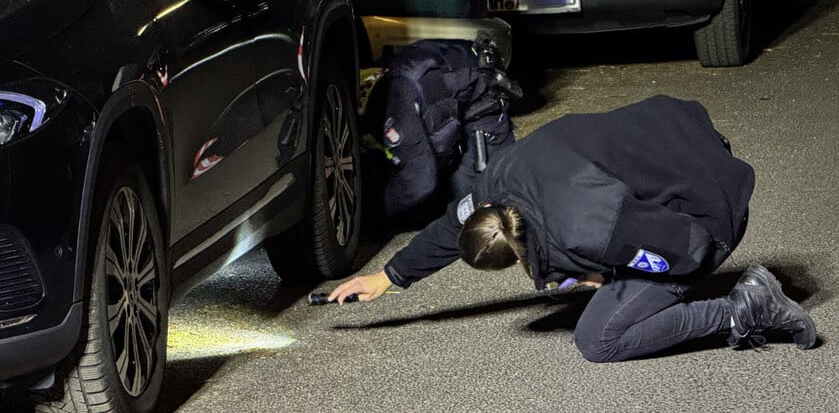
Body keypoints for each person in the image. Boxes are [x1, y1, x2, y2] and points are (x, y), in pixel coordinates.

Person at [328, 95, 817, 362]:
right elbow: (447, 230)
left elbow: (688, 252)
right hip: (683, 135)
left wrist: (607, 268)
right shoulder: (498, 178)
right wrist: (388, 277)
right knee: (605, 266)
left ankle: (746, 308)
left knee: (599, 339)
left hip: (713, 205)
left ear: (517, 255)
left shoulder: (588, 228)